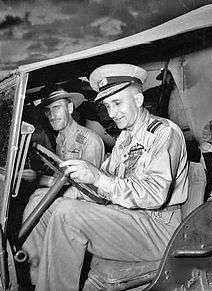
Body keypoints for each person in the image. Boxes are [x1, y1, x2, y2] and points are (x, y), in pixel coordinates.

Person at [24, 64, 189, 291]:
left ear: (139, 100)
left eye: (117, 103)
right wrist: (81, 185)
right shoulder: (125, 137)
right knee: (46, 204)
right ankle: (37, 281)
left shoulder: (163, 133)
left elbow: (154, 194)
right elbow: (103, 182)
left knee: (67, 214)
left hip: (159, 229)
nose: (111, 113)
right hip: (128, 216)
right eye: (107, 105)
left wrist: (97, 178)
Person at [22, 85, 105, 285]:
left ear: (69, 108)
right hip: (69, 195)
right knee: (36, 198)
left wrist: (44, 182)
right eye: (48, 111)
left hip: (87, 206)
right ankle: (35, 274)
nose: (51, 115)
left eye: (57, 108)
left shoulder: (89, 140)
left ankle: (42, 275)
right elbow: (61, 175)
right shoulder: (61, 138)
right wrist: (40, 179)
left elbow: (90, 192)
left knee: (38, 200)